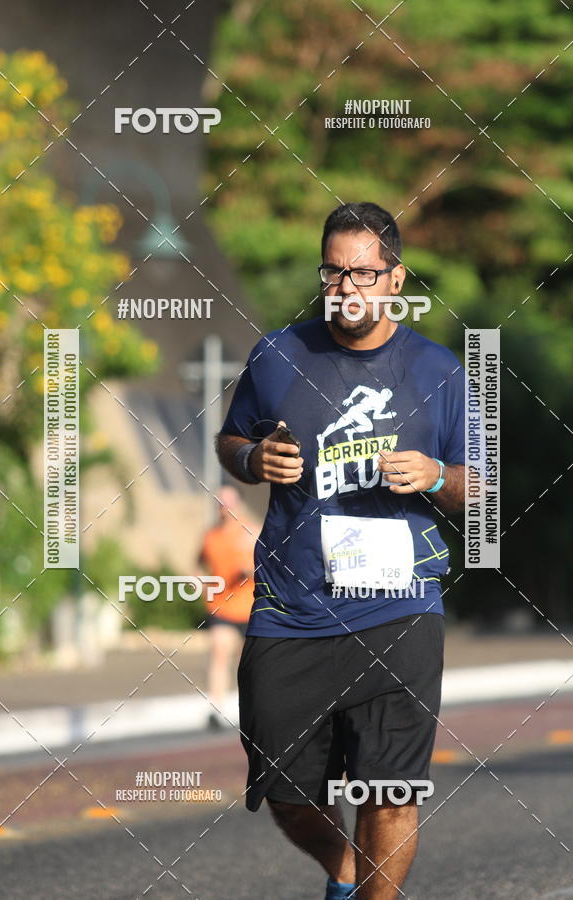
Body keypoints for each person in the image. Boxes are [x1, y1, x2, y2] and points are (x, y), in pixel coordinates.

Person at [216, 201, 466, 899]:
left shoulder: (437, 369)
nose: (347, 287)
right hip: (293, 609)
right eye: (334, 272)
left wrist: (438, 477)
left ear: (395, 277)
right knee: (285, 788)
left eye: (363, 272)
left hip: (400, 605)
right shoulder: (277, 354)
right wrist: (254, 457)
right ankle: (350, 869)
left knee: (390, 791)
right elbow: (230, 440)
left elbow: (481, 484)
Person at [198, 485, 257, 729]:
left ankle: (255, 709)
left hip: (251, 609)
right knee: (220, 651)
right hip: (221, 607)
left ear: (239, 505)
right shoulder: (210, 536)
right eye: (220, 503)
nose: (225, 508)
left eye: (229, 503)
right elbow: (199, 562)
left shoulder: (252, 533)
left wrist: (250, 572)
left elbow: (271, 567)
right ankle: (216, 709)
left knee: (251, 663)